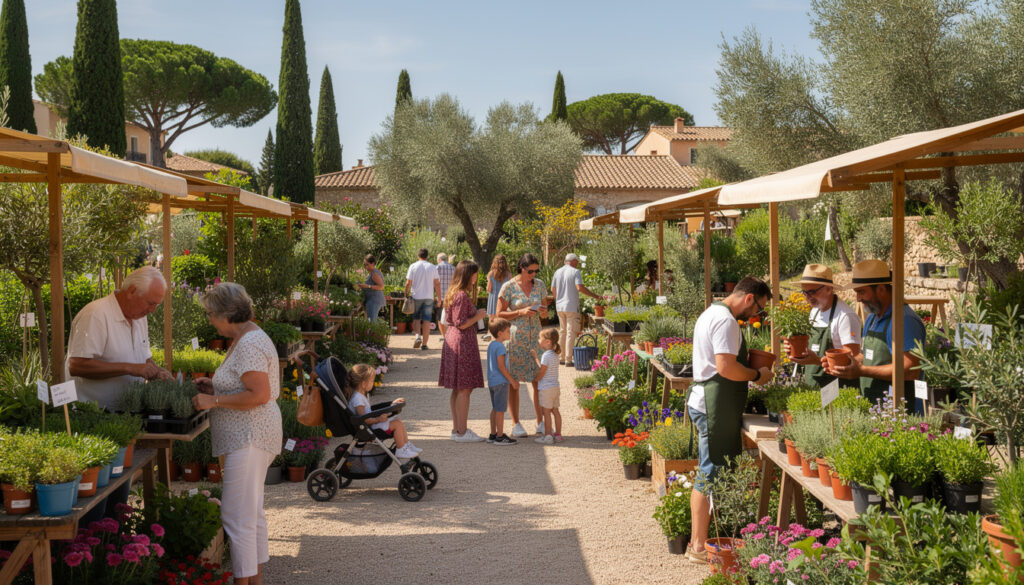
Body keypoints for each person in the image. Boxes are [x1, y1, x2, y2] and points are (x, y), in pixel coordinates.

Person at [191, 282, 282, 585]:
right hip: (252, 436)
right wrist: (215, 386)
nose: (209, 320)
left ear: (225, 314)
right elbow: (247, 386)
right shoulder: (247, 337)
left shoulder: (249, 343)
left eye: (209, 314)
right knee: (250, 515)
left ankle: (243, 581)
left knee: (235, 517)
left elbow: (259, 394)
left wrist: (214, 401)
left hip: (250, 437)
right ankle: (253, 580)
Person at [686, 276, 773, 565]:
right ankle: (698, 546)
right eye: (758, 308)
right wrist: (757, 375)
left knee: (712, 469)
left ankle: (707, 540)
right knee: (709, 472)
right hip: (712, 405)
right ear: (749, 298)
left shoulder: (711, 312)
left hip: (710, 402)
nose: (756, 315)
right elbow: (726, 368)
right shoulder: (726, 321)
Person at [67, 266, 172, 410]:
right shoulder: (96, 315)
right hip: (93, 414)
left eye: (156, 305)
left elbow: (143, 359)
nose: (152, 311)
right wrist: (129, 368)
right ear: (131, 291)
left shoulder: (139, 317)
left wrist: (157, 372)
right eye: (150, 303)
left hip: (128, 413)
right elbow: (77, 365)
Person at [828, 259, 927, 412]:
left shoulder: (904, 320)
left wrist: (862, 371)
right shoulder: (873, 318)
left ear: (881, 289)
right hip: (876, 406)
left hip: (899, 411)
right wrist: (844, 363)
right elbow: (866, 356)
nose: (858, 299)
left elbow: (910, 370)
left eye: (861, 292)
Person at [782, 264, 862, 388]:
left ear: (829, 289)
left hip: (839, 389)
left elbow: (852, 359)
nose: (808, 297)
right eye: (805, 292)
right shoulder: (815, 311)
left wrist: (817, 361)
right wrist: (794, 347)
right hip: (813, 386)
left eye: (813, 292)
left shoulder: (845, 316)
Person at [496, 253, 549, 438]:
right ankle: (516, 423)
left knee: (538, 381)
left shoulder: (540, 285)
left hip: (536, 340)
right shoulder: (508, 287)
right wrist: (520, 312)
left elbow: (545, 313)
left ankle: (540, 422)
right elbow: (498, 314)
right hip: (516, 340)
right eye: (530, 271)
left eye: (536, 271)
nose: (533, 274)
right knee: (515, 383)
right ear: (521, 268)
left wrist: (542, 312)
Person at [439, 260, 487, 442]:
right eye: (474, 274)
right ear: (467, 274)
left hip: (455, 339)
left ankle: (458, 429)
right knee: (464, 388)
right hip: (461, 342)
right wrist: (479, 316)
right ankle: (462, 431)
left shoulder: (454, 293)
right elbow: (461, 323)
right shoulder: (461, 295)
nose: (476, 277)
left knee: (459, 388)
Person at [345, 363, 422, 458]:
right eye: (372, 381)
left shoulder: (361, 395)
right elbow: (363, 419)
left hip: (371, 425)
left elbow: (369, 412)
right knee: (396, 424)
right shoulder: (357, 399)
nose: (373, 383)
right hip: (370, 429)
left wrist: (391, 404)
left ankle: (406, 445)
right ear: (364, 383)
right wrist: (379, 419)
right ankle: (401, 449)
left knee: (398, 421)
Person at [550, 253, 601, 367]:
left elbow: (553, 289)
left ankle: (561, 357)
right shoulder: (575, 272)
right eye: (576, 262)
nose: (577, 264)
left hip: (560, 306)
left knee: (562, 331)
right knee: (571, 332)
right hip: (571, 306)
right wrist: (595, 296)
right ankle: (568, 359)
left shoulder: (557, 272)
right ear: (572, 261)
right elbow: (579, 287)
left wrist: (558, 299)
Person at [485, 318, 519, 445]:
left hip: (492, 381)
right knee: (500, 410)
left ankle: (493, 434)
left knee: (495, 408)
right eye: (508, 331)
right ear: (500, 333)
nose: (509, 334)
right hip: (501, 382)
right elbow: (501, 366)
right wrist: (512, 381)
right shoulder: (500, 347)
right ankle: (500, 436)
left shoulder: (491, 345)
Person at [530, 327, 563, 445]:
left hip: (546, 389)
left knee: (546, 412)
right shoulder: (554, 355)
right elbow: (544, 367)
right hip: (555, 387)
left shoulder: (546, 355)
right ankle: (558, 435)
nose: (538, 340)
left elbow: (542, 371)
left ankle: (548, 436)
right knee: (556, 411)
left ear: (547, 342)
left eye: (540, 338)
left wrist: (536, 378)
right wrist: (535, 357)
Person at [405, 248, 441, 350]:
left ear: (418, 256)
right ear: (427, 256)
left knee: (416, 318)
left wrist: (405, 294)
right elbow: (437, 284)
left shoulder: (413, 266)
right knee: (427, 320)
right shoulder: (433, 267)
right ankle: (424, 345)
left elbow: (408, 283)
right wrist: (439, 298)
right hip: (429, 297)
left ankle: (417, 337)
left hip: (416, 296)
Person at [481, 254, 512, 341]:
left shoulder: (491, 274)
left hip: (493, 296)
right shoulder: (509, 275)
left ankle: (489, 334)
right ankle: (503, 335)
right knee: (503, 317)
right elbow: (510, 289)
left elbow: (489, 289)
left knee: (492, 317)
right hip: (504, 298)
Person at [356, 254, 386, 323]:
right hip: (372, 300)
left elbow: (381, 286)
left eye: (367, 264)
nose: (366, 267)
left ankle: (374, 334)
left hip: (374, 300)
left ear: (372, 263)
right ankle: (373, 333)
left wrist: (368, 286)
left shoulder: (374, 273)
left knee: (372, 322)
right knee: (371, 321)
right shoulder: (372, 272)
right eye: (364, 265)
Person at [436, 253, 456, 335]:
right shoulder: (453, 268)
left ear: (439, 260)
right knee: (451, 315)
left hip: (440, 296)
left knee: (441, 316)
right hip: (452, 296)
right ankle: (449, 333)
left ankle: (444, 334)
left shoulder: (437, 268)